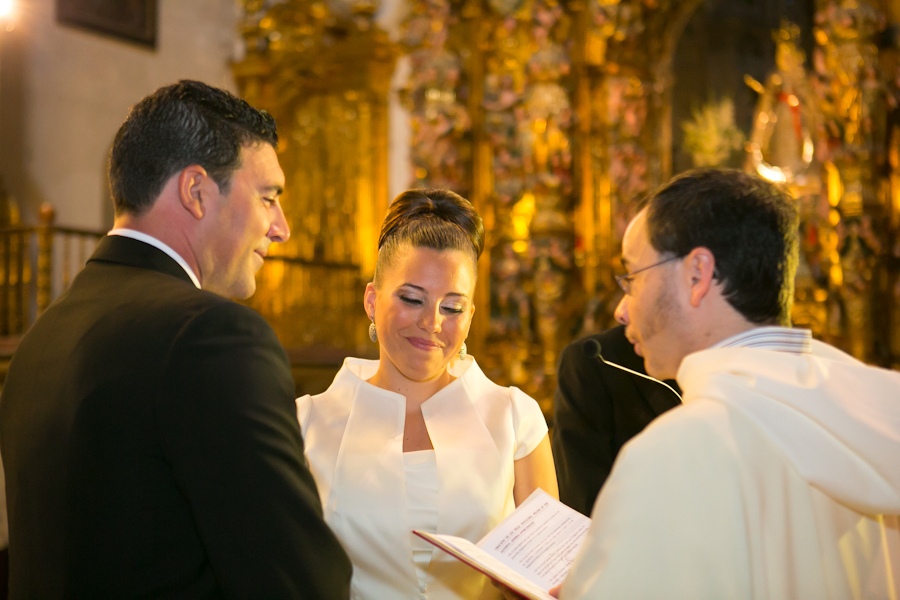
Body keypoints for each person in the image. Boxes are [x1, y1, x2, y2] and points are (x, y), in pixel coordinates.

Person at [0, 80, 352, 598]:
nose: (282, 228)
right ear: (196, 191)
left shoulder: (42, 337)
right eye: (268, 197)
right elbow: (298, 581)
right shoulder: (210, 334)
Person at [558, 168, 900, 598]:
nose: (621, 311)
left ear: (698, 275)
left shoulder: (675, 453)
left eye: (633, 277)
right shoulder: (876, 418)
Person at [297, 188, 558, 599]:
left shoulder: (514, 419)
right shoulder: (307, 423)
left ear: (470, 316)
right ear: (372, 299)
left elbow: (544, 579)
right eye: (412, 299)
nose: (432, 323)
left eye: (452, 307)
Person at [551, 324, 680, 516]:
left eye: (631, 293)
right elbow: (584, 506)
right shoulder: (598, 360)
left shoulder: (736, 361)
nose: (621, 312)